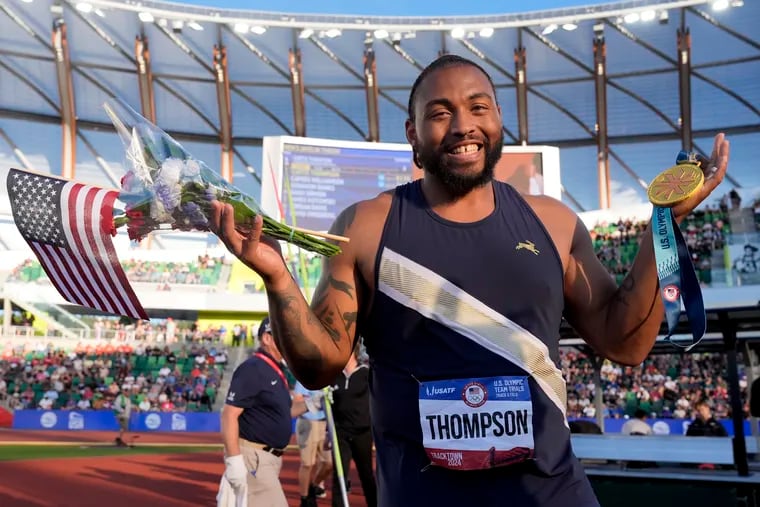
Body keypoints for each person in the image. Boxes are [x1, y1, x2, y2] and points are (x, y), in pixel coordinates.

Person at [209, 54, 730, 507]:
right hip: (422, 497)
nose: (463, 125)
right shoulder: (366, 226)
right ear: (412, 133)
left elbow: (626, 341)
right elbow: (320, 365)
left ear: (499, 119)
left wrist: (663, 224)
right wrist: (278, 278)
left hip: (548, 494)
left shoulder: (553, 221)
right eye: (440, 113)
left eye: (479, 108)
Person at [220, 316, 307, 506]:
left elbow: (284, 412)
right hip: (254, 457)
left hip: (268, 459)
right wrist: (234, 461)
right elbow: (229, 415)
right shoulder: (253, 368)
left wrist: (314, 403)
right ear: (266, 339)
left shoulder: (275, 369)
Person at [330, 341, 377, 507]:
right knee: (339, 476)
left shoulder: (366, 374)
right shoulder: (334, 376)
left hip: (362, 433)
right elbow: (331, 405)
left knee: (366, 475)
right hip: (340, 434)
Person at [293, 380, 333, 507]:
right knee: (307, 464)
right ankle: (304, 498)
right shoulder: (304, 379)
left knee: (329, 462)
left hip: (325, 423)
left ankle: (314, 485)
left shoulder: (328, 378)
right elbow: (296, 402)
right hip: (307, 422)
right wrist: (312, 402)